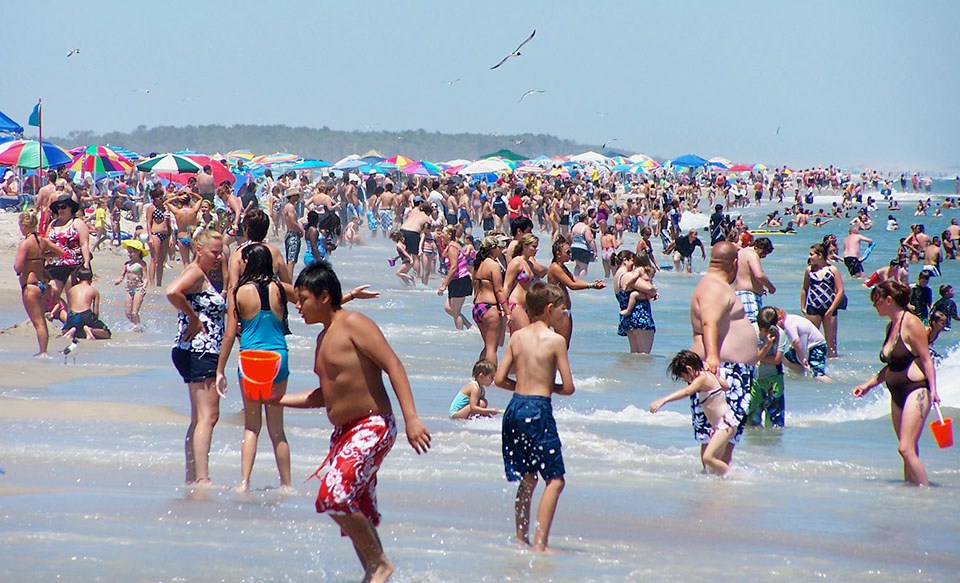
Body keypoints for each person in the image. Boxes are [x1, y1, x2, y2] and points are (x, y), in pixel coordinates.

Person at [273, 260, 431, 583]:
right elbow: (323, 396)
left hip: (373, 426)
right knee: (352, 503)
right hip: (344, 433)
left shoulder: (355, 324)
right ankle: (374, 572)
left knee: (333, 495)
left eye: (303, 299)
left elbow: (394, 366)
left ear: (325, 296)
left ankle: (381, 565)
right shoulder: (322, 339)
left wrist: (412, 418)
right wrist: (274, 400)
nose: (298, 306)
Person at [494, 282, 574, 552]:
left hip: (514, 408)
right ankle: (540, 543)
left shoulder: (517, 337)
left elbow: (499, 379)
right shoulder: (556, 341)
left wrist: (522, 387)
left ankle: (521, 537)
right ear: (550, 309)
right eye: (563, 310)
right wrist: (545, 387)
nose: (565, 315)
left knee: (528, 477)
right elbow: (569, 387)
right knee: (556, 480)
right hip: (538, 409)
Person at [217, 244, 295, 493]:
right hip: (278, 358)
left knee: (252, 426)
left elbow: (230, 335)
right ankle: (286, 485)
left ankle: (244, 483)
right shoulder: (281, 290)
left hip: (251, 359)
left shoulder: (238, 292)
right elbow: (312, 299)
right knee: (277, 429)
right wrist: (348, 298)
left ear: (249, 264)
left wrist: (220, 370)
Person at [853, 281, 938, 487]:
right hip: (896, 392)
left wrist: (934, 390)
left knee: (905, 448)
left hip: (916, 390)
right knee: (908, 449)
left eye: (876, 300)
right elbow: (893, 364)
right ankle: (910, 494)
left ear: (888, 300)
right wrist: (869, 384)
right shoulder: (891, 325)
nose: (874, 305)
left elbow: (926, 359)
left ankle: (928, 496)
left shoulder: (911, 322)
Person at [165, 230, 227, 486]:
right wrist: (193, 317)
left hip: (192, 349)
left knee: (199, 417)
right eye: (214, 252)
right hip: (200, 350)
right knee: (208, 417)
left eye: (221, 251)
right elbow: (171, 292)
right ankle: (202, 478)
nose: (219, 256)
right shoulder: (195, 273)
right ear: (199, 250)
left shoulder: (200, 273)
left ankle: (193, 476)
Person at [689, 242, 759, 466]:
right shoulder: (714, 287)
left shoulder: (713, 284)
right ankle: (714, 491)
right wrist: (713, 358)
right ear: (735, 263)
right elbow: (710, 321)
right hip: (725, 369)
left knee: (723, 434)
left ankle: (716, 490)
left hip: (729, 368)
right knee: (721, 432)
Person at [649, 350, 735, 475]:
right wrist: (714, 375)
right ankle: (722, 484)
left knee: (708, 458)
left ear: (689, 369)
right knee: (712, 467)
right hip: (720, 425)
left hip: (724, 424)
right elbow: (726, 386)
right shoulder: (707, 375)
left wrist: (663, 400)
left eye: (683, 376)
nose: (685, 380)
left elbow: (687, 392)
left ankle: (734, 476)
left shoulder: (702, 378)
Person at [13, 211, 65, 357]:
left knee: (38, 323)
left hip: (30, 286)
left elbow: (17, 267)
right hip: (42, 285)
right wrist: (43, 256)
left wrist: (23, 266)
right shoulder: (42, 241)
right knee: (42, 320)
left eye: (20, 225)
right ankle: (43, 350)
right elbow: (60, 252)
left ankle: (43, 352)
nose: (20, 228)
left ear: (25, 225)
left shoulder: (25, 244)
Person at [546, 237, 605, 347]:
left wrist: (593, 284)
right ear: (558, 254)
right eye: (567, 252)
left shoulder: (562, 267)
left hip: (564, 310)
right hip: (559, 310)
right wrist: (591, 286)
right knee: (561, 345)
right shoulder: (555, 268)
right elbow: (572, 285)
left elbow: (574, 279)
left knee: (564, 345)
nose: (570, 254)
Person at [46, 194, 91, 306]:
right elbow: (47, 243)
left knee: (72, 295)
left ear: (70, 207)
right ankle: (65, 317)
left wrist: (86, 263)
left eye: (64, 207)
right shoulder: (53, 224)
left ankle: (72, 320)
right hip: (56, 265)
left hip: (75, 265)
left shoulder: (77, 223)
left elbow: (84, 244)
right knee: (51, 294)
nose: (60, 210)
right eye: (58, 207)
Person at [801, 243, 844, 358]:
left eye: (812, 254)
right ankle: (809, 363)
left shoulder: (832, 269)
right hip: (813, 308)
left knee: (831, 342)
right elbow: (805, 289)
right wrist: (802, 307)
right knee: (810, 339)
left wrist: (831, 309)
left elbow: (840, 291)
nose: (810, 257)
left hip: (830, 308)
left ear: (820, 255)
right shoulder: (809, 270)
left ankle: (832, 365)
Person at [471, 235, 508, 364]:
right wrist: (507, 311)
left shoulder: (477, 264)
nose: (501, 249)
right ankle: (492, 377)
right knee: (492, 348)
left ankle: (479, 373)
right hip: (490, 308)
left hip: (477, 307)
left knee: (487, 346)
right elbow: (498, 290)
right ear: (493, 249)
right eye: (499, 247)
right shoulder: (493, 265)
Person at [749, 307, 788, 427]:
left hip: (774, 380)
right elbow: (751, 358)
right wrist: (767, 345)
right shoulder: (751, 330)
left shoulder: (780, 334)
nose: (763, 332)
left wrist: (758, 356)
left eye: (766, 330)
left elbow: (777, 360)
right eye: (761, 329)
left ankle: (773, 445)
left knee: (775, 423)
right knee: (751, 421)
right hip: (755, 381)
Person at [613, 251, 657, 354]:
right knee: (644, 356)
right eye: (633, 261)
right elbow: (650, 288)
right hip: (640, 316)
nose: (635, 265)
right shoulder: (627, 276)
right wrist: (653, 292)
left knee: (635, 355)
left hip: (629, 320)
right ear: (625, 260)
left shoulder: (616, 277)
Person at [777, 307, 831, 381]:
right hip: (810, 345)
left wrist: (802, 358)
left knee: (818, 375)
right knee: (788, 358)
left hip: (817, 347)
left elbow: (796, 342)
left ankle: (832, 383)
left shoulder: (788, 325)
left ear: (780, 318)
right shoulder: (790, 318)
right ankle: (802, 373)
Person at [436, 226, 473, 330]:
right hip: (456, 280)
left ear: (449, 235)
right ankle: (470, 327)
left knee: (456, 312)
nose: (440, 235)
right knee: (448, 308)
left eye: (443, 233)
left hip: (460, 280)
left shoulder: (452, 247)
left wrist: (444, 285)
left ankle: (461, 334)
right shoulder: (451, 245)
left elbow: (453, 268)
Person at [60, 267, 111, 341]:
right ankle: (90, 330)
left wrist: (68, 322)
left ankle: (72, 330)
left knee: (65, 329)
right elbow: (96, 312)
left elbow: (69, 308)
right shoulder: (94, 291)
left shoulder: (71, 290)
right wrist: (94, 323)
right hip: (86, 315)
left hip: (73, 315)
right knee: (107, 333)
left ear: (78, 279)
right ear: (91, 279)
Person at [734, 237, 776, 323]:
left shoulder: (741, 253)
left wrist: (760, 288)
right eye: (763, 253)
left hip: (738, 294)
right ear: (756, 247)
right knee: (753, 326)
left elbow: (746, 275)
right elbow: (759, 275)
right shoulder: (752, 255)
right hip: (749, 297)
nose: (764, 256)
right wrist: (771, 288)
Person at [115, 239, 148, 332]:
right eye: (128, 252)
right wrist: (118, 280)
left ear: (137, 252)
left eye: (131, 252)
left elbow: (145, 278)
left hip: (138, 289)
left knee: (134, 312)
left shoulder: (142, 264)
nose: (129, 254)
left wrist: (144, 287)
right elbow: (122, 275)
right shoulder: (127, 264)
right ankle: (137, 325)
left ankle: (137, 328)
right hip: (129, 290)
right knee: (128, 313)